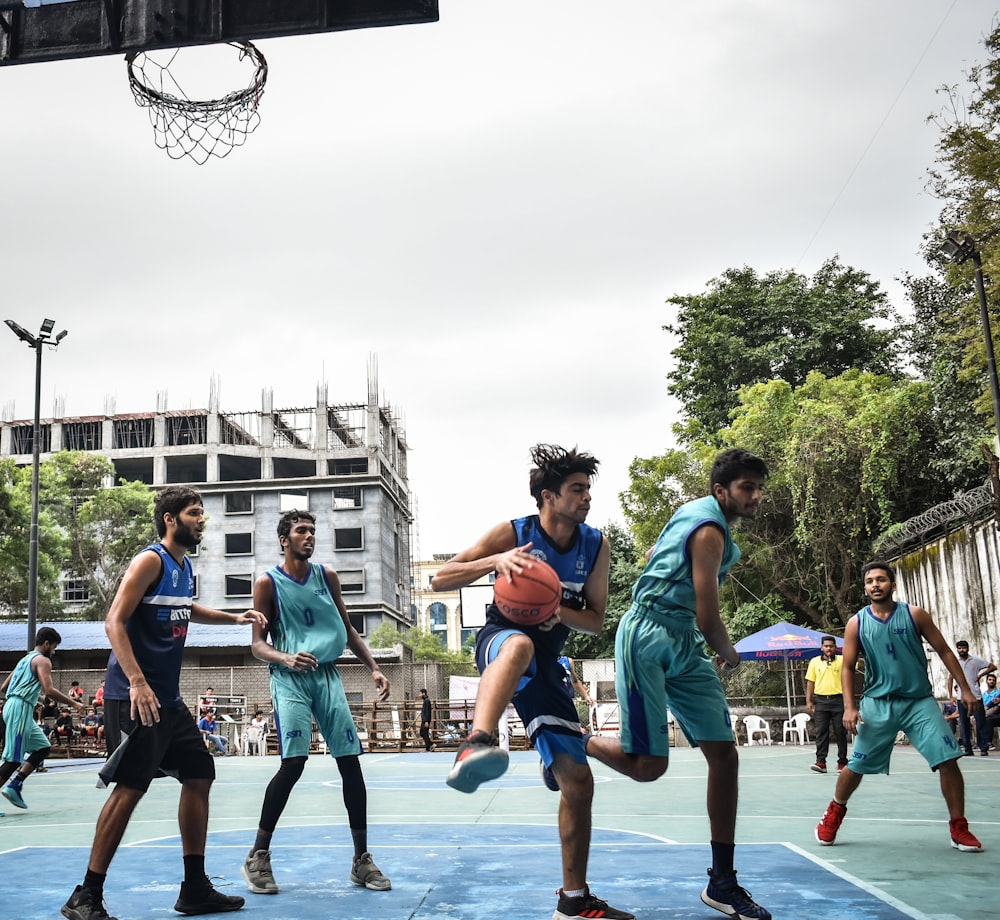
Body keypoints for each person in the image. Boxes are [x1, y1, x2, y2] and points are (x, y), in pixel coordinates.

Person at [432, 443, 634, 920]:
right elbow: (441, 578)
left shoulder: (595, 544)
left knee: (579, 784)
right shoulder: (515, 532)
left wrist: (554, 608)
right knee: (519, 646)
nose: (586, 497)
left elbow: (596, 619)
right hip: (499, 641)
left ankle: (573, 900)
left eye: (588, 489)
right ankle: (475, 743)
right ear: (548, 496)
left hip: (548, 666)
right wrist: (493, 563)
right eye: (577, 489)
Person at [61, 485, 266, 920]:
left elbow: (185, 608)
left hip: (167, 700)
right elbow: (113, 620)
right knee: (131, 788)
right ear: (171, 519)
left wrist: (234, 617)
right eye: (195, 513)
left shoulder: (183, 565)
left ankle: (194, 889)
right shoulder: (149, 560)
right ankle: (86, 895)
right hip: (136, 697)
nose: (202, 520)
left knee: (199, 774)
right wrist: (136, 681)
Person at [585, 447, 772, 920]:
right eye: (747, 488)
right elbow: (710, 616)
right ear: (720, 490)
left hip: (682, 637)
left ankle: (722, 882)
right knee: (648, 767)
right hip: (648, 635)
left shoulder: (695, 516)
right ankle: (572, 737)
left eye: (758, 488)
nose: (755, 496)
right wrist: (729, 652)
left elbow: (655, 553)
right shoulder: (708, 530)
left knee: (724, 755)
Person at [241, 509, 391, 898]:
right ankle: (258, 854)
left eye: (312, 531)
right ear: (284, 539)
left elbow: (347, 627)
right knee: (293, 764)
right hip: (290, 678)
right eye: (301, 531)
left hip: (327, 676)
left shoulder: (328, 576)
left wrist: (373, 667)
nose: (309, 536)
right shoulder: (267, 583)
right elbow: (257, 645)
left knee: (349, 762)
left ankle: (361, 860)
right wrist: (285, 657)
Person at [815, 560, 984, 853]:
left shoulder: (914, 614)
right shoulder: (857, 622)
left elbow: (944, 650)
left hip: (918, 701)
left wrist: (965, 689)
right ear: (865, 587)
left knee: (948, 759)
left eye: (881, 579)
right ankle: (834, 812)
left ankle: (959, 826)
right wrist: (850, 707)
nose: (875, 585)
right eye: (869, 581)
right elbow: (847, 667)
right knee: (856, 765)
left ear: (892, 584)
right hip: (878, 703)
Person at [0, 627, 84, 813]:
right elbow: (49, 690)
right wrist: (74, 704)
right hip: (20, 710)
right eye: (53, 647)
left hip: (13, 706)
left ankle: (16, 784)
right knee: (14, 759)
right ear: (46, 644)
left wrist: (29, 698)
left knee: (43, 747)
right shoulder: (43, 661)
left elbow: (5, 687)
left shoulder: (24, 659)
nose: (53, 652)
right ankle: (13, 785)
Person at [804, 635, 847, 773]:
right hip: (821, 701)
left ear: (835, 647)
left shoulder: (842, 660)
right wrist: (809, 700)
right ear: (822, 647)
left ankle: (842, 762)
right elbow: (810, 682)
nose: (829, 648)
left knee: (840, 732)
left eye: (831, 646)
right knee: (821, 732)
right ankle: (821, 762)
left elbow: (854, 666)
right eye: (826, 646)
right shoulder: (814, 662)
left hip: (839, 700)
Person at [949, 640, 996, 756]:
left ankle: (983, 747)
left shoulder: (975, 661)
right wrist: (951, 695)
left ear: (968, 648)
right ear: (957, 649)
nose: (961, 650)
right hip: (961, 697)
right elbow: (950, 678)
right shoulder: (955, 662)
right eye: (959, 648)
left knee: (980, 722)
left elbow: (992, 667)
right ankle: (967, 748)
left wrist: (980, 675)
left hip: (976, 696)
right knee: (963, 724)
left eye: (963, 648)